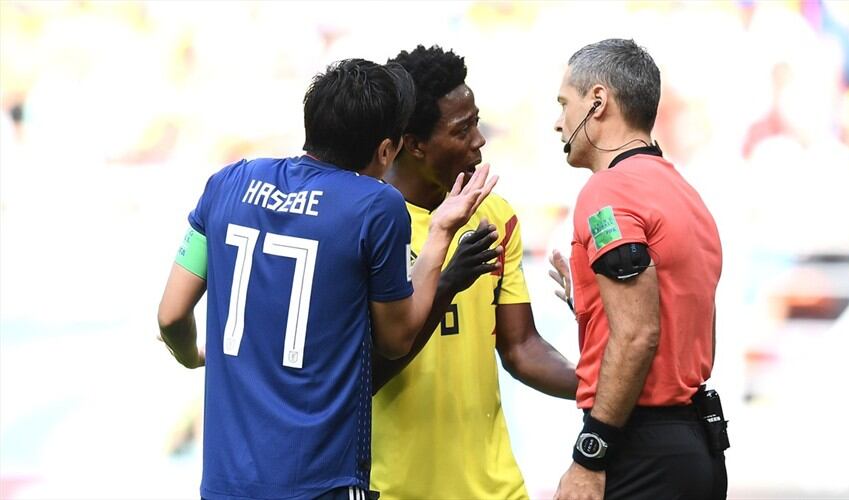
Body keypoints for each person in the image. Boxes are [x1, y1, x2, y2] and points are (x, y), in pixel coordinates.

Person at [156, 58, 497, 500]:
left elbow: (170, 315)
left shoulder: (228, 182)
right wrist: (440, 234)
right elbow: (396, 339)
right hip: (322, 482)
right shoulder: (377, 206)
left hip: (226, 485)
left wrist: (190, 356)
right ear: (386, 150)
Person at [370, 45, 578, 500]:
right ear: (414, 144)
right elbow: (366, 372)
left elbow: (521, 347)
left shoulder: (495, 216)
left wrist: (604, 391)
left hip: (496, 489)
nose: (479, 140)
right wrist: (446, 282)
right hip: (394, 490)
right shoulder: (365, 224)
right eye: (462, 129)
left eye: (476, 122)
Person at [550, 39, 727, 500]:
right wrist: (589, 304)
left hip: (639, 449)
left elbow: (637, 334)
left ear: (598, 101)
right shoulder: (684, 192)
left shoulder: (608, 191)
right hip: (695, 447)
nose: (558, 122)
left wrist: (590, 456)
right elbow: (666, 315)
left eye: (564, 104)